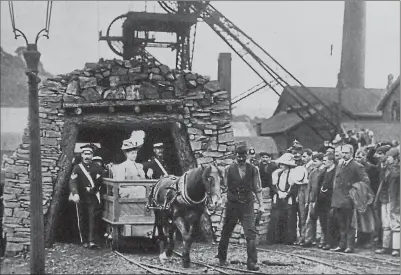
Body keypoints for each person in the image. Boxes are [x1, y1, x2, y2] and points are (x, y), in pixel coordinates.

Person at [216, 144, 265, 271]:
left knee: (250, 234)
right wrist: (222, 199)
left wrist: (261, 205)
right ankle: (221, 258)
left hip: (247, 205)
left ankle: (252, 262)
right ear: (235, 156)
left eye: (243, 156)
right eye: (239, 156)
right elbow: (223, 187)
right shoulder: (228, 169)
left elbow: (258, 189)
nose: (241, 159)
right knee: (226, 231)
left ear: (246, 155)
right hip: (232, 205)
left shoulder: (253, 169)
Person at [330, 144, 370, 253]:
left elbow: (365, 181)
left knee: (350, 224)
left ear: (351, 153)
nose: (344, 155)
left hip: (349, 200)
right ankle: (342, 244)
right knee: (341, 223)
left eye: (346, 153)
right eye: (342, 152)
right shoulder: (340, 164)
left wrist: (354, 191)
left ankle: (349, 245)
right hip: (338, 199)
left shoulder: (357, 166)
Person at [69, 143, 104, 249]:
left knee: (93, 218)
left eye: (89, 154)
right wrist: (75, 193)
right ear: (82, 155)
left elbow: (101, 181)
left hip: (92, 196)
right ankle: (84, 240)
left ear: (92, 155)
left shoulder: (97, 167)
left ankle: (92, 240)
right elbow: (73, 181)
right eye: (85, 154)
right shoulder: (77, 168)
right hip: (81, 196)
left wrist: (94, 189)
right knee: (82, 218)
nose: (87, 156)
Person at [267, 153, 305, 245]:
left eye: (283, 164)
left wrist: (287, 194)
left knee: (290, 218)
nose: (281, 166)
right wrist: (278, 192)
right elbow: (273, 185)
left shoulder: (293, 174)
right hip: (279, 197)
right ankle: (277, 238)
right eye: (280, 164)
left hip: (289, 198)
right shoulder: (277, 173)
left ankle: (289, 239)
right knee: (278, 217)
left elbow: (294, 187)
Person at [375, 148, 400, 256]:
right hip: (384, 199)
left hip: (393, 200)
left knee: (395, 224)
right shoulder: (385, 169)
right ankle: (386, 247)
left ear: (395, 159)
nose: (386, 159)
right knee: (385, 224)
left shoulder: (397, 171)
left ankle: (396, 248)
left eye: (389, 157)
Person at [303, 152, 325, 247]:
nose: (314, 163)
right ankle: (309, 239)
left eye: (315, 161)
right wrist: (308, 200)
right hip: (312, 199)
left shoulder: (325, 171)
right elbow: (309, 187)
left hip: (321, 199)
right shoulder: (313, 172)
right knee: (310, 219)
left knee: (322, 221)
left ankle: (322, 240)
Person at [316, 153, 337, 250]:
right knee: (323, 221)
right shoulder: (323, 171)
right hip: (321, 201)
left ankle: (330, 242)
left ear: (331, 161)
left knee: (331, 222)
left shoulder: (336, 172)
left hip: (330, 201)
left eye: (325, 160)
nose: (323, 162)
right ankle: (325, 241)